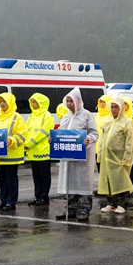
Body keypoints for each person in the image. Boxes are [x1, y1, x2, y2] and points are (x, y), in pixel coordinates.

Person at [56, 88, 99, 222]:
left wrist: (88, 139)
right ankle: (71, 209)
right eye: (67, 101)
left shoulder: (87, 115)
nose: (69, 104)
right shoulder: (66, 117)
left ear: (78, 101)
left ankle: (84, 209)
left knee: (83, 183)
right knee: (70, 182)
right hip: (68, 157)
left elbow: (94, 133)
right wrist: (54, 139)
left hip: (83, 158)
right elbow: (60, 134)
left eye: (71, 101)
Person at [97, 96, 133, 214]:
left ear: (122, 109)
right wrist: (100, 154)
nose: (114, 110)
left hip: (119, 158)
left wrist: (127, 157)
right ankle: (112, 202)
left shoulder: (127, 123)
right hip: (107, 157)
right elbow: (102, 139)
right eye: (112, 107)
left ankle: (123, 204)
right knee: (109, 180)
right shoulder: (108, 122)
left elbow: (130, 142)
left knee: (121, 181)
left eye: (116, 107)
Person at [0, 92, 27, 211]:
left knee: (11, 180)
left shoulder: (17, 117)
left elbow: (22, 135)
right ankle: (3, 200)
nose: (2, 104)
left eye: (4, 101)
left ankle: (11, 202)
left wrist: (12, 140)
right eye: (0, 101)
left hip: (12, 155)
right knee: (2, 180)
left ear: (10, 102)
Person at [24, 93, 55, 206]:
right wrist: (26, 143)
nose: (33, 104)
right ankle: (37, 196)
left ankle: (44, 197)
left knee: (44, 176)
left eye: (35, 102)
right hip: (33, 151)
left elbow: (42, 133)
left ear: (40, 103)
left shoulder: (47, 116)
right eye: (32, 102)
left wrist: (29, 143)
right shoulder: (32, 116)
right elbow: (27, 130)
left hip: (43, 151)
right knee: (36, 176)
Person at [94, 95, 114, 173]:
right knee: (100, 170)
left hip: (108, 147)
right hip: (97, 147)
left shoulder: (111, 115)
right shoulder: (97, 115)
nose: (102, 104)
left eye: (104, 102)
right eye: (101, 102)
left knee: (109, 170)